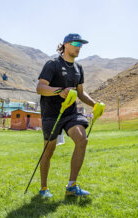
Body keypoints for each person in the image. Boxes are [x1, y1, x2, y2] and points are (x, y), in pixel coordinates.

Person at [36, 33, 98, 198]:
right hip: (51, 113)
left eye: (81, 44)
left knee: (82, 139)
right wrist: (59, 91)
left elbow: (81, 93)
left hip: (70, 113)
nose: (79, 47)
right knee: (48, 151)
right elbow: (40, 88)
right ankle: (43, 188)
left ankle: (71, 186)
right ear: (66, 44)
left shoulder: (78, 69)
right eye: (76, 43)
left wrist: (95, 104)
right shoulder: (53, 64)